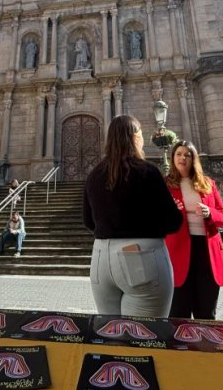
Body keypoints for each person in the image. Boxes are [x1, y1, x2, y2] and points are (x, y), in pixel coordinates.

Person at [83, 115, 183, 317]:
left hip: (102, 260)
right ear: (135, 137)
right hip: (140, 258)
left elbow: (88, 220)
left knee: (110, 334)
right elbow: (173, 221)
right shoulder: (147, 172)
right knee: (144, 336)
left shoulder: (94, 175)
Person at [163, 140, 223, 319]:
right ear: (172, 158)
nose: (182, 158)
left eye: (187, 154)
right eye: (178, 154)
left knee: (206, 311)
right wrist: (172, 212)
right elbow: (156, 217)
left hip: (206, 251)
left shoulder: (208, 184)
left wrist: (210, 213)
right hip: (179, 250)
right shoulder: (165, 185)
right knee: (178, 311)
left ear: (194, 159)